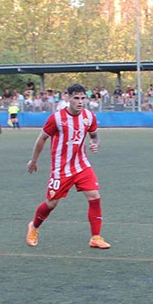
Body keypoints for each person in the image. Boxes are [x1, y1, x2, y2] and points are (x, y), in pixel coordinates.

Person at [25, 84, 110, 249]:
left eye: (83, 98)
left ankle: (96, 237)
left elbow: (95, 136)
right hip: (61, 169)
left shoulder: (89, 116)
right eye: (76, 98)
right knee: (51, 204)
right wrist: (33, 160)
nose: (80, 102)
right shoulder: (56, 118)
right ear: (68, 98)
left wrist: (94, 143)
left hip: (82, 165)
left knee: (94, 197)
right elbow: (42, 138)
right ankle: (33, 227)